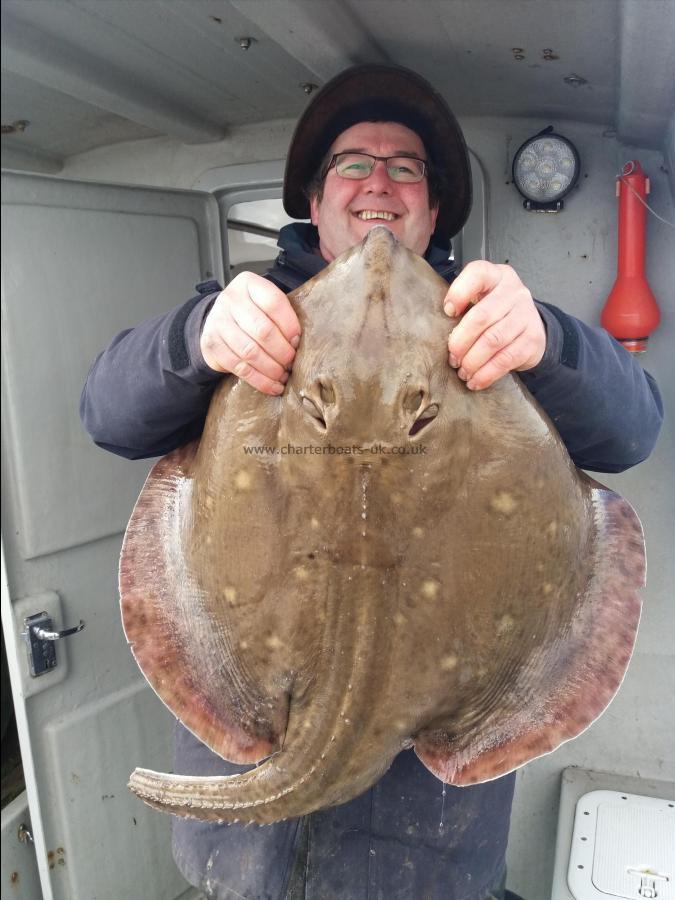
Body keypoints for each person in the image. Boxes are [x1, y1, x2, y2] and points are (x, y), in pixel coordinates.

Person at [81, 64, 662, 900]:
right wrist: (199, 334)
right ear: (312, 204)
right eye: (352, 164)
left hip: (424, 847)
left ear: (433, 210)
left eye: (406, 168)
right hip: (242, 848)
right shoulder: (237, 317)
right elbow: (106, 413)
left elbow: (633, 430)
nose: (378, 184)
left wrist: (548, 343)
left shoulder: (500, 326)